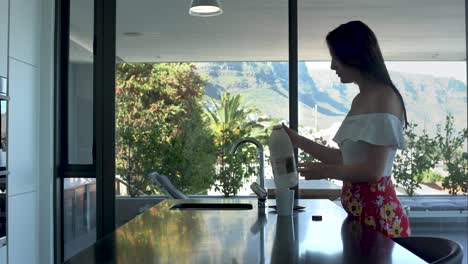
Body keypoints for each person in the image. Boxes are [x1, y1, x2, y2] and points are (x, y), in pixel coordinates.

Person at [283, 20, 410, 238]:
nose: (333, 66)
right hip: (361, 217)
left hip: (379, 218)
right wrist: (298, 141)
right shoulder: (361, 99)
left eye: (336, 58)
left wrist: (324, 171)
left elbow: (373, 171)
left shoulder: (384, 97)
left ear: (353, 56)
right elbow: (346, 159)